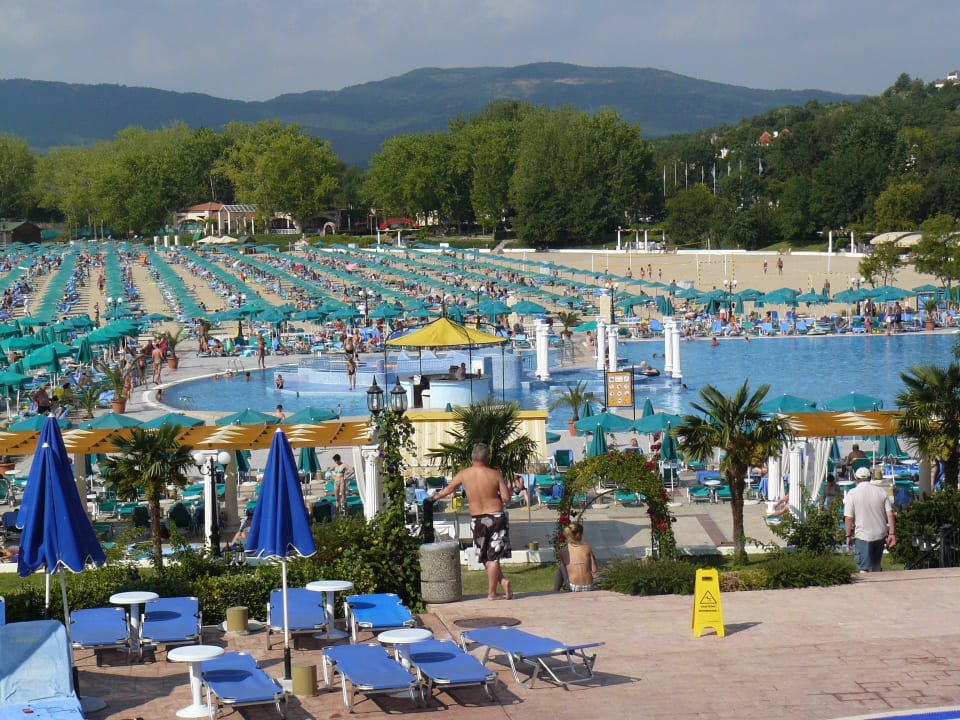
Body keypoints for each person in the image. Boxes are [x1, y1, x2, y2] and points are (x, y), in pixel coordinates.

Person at [428, 443, 512, 600]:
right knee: (493, 556)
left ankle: (496, 588)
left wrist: (434, 498)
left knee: (484, 556)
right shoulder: (495, 474)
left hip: (478, 519)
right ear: (487, 458)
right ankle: (497, 587)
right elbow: (506, 498)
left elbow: (448, 489)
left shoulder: (464, 474)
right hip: (496, 516)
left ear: (472, 457)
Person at [845, 466, 896, 572]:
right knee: (876, 565)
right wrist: (892, 533)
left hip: (863, 535)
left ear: (856, 479)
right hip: (880, 533)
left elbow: (849, 518)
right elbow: (890, 514)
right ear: (870, 478)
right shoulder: (881, 491)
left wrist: (848, 535)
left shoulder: (852, 493)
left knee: (863, 568)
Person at [553, 522, 598, 592]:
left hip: (574, 587)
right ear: (579, 534)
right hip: (589, 586)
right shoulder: (587, 547)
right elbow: (594, 570)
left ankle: (556, 590)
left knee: (561, 567)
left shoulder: (563, 550)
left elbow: (566, 570)